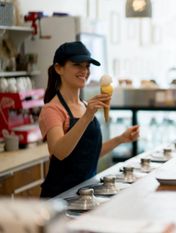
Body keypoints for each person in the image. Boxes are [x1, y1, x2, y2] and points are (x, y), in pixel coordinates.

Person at [38, 41, 140, 198]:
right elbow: (59, 152)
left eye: (87, 66)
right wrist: (87, 116)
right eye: (77, 65)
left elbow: (88, 154)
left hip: (86, 192)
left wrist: (120, 139)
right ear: (59, 68)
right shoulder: (52, 109)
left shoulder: (86, 105)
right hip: (59, 197)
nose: (84, 71)